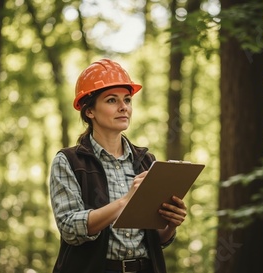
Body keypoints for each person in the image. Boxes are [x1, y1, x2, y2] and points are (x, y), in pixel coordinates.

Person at [49, 58, 187, 273]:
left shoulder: (146, 162)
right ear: (89, 111)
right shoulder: (69, 161)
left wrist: (171, 224)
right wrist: (125, 201)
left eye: (128, 100)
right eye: (112, 100)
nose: (124, 107)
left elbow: (155, 239)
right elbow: (69, 228)